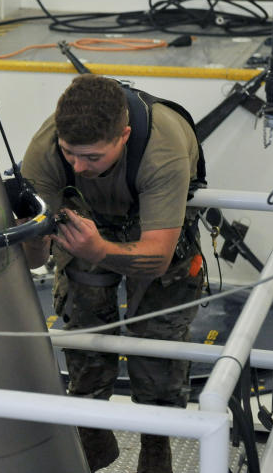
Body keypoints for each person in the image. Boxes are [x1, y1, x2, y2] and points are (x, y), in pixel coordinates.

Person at [20, 74, 204, 473]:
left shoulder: (163, 146)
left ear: (123, 135)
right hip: (84, 222)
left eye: (92, 157)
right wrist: (33, 236)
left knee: (158, 342)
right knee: (84, 335)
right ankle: (92, 444)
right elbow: (33, 260)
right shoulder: (46, 150)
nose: (78, 166)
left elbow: (157, 258)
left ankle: (157, 450)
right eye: (71, 154)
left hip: (156, 232)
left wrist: (99, 249)